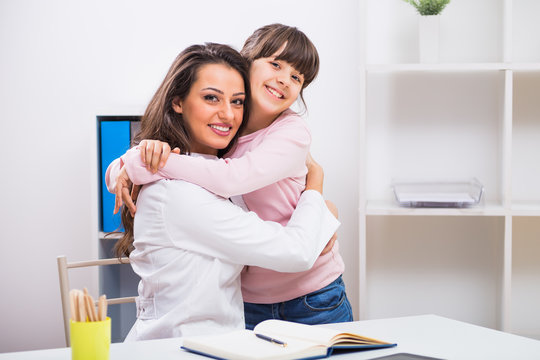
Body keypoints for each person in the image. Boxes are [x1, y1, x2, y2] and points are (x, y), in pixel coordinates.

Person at [108, 24, 353, 330]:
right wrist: (127, 163)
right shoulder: (223, 137)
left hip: (311, 292)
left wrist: (320, 199)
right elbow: (212, 174)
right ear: (247, 63)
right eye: (275, 64)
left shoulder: (288, 132)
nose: (284, 80)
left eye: (297, 77)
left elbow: (232, 179)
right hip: (249, 298)